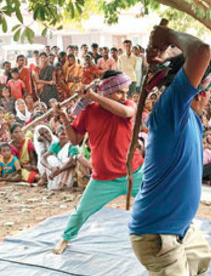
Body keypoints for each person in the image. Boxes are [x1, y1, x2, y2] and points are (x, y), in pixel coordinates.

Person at [128, 25, 211, 276]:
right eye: (208, 87)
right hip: (156, 236)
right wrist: (167, 35)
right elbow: (202, 50)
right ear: (194, 86)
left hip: (178, 230)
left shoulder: (188, 115)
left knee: (201, 255)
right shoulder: (172, 108)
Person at [52, 70, 144, 255]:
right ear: (107, 91)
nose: (125, 96)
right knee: (81, 212)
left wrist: (92, 95)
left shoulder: (129, 105)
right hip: (103, 177)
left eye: (125, 91)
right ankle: (65, 238)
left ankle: (181, 231)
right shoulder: (89, 111)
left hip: (134, 172)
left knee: (160, 200)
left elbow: (125, 113)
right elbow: (75, 140)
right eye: (120, 91)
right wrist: (64, 119)